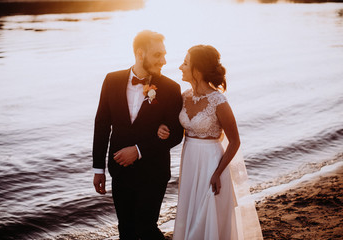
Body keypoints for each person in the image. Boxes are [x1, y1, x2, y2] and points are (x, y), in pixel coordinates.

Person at [158, 45, 263, 239]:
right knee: (191, 210)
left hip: (211, 164)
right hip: (189, 162)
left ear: (197, 70)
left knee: (207, 217)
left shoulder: (218, 101)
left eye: (185, 63)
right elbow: (174, 128)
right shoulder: (184, 96)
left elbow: (234, 142)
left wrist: (217, 173)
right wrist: (162, 128)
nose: (180, 67)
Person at [92, 30, 184, 240]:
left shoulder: (171, 89)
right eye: (157, 55)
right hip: (120, 169)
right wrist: (98, 169)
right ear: (140, 54)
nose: (164, 60)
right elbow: (102, 125)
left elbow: (177, 134)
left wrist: (139, 151)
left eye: (164, 54)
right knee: (125, 229)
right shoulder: (112, 80)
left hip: (153, 172)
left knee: (146, 226)